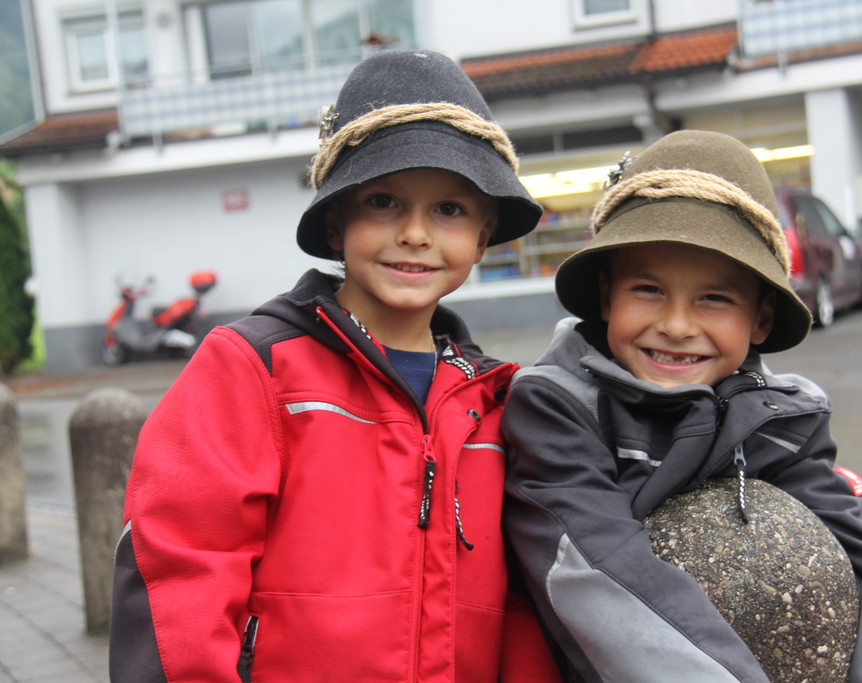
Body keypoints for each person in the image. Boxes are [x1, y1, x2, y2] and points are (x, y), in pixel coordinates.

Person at [109, 49, 560, 682]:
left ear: (483, 237)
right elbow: (181, 571)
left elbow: (524, 605)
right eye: (384, 201)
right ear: (335, 222)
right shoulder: (252, 369)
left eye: (450, 210)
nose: (415, 233)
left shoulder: (494, 400)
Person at [501, 130, 862, 683]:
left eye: (714, 298)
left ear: (761, 319)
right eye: (648, 290)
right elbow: (597, 572)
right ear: (607, 295)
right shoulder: (557, 410)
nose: (676, 325)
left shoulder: (779, 420)